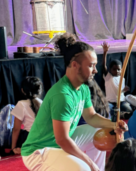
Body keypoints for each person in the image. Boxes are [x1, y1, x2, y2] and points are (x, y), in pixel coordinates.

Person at [21, 33, 127, 171]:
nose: (95, 70)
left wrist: (114, 124)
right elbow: (62, 140)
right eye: (91, 66)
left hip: (59, 144)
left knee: (100, 130)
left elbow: (91, 117)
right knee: (83, 168)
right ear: (75, 65)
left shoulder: (82, 88)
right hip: (39, 152)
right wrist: (89, 163)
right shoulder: (62, 95)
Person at [11, 76, 43, 155]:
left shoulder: (21, 104)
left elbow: (16, 129)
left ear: (22, 90)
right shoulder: (42, 102)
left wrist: (13, 147)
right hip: (43, 137)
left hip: (29, 138)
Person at [101, 41, 132, 118]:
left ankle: (119, 113)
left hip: (121, 101)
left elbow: (119, 91)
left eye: (118, 69)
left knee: (128, 109)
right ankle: (118, 114)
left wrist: (123, 90)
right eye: (114, 69)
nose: (116, 71)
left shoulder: (122, 78)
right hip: (110, 102)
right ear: (110, 70)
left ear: (121, 70)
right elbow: (103, 65)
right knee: (106, 111)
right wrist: (105, 52)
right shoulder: (108, 76)